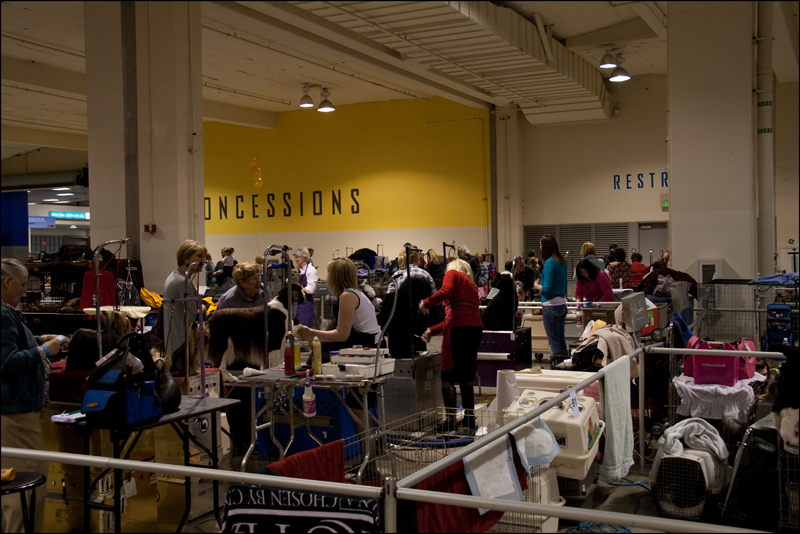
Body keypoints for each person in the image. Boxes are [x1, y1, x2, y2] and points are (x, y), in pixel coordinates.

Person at [2, 258, 65, 533]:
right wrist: (46, 350)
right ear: (6, 282)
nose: (25, 290)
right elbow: (7, 362)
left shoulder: (8, 313)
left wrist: (37, 340)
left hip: (13, 412)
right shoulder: (3, 315)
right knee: (25, 493)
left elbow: (11, 347)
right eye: (22, 284)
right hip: (14, 416)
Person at [420, 258, 483, 431]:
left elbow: (445, 292)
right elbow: (461, 312)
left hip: (458, 329)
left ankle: (450, 421)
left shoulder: (452, 274)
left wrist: (425, 303)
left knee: (447, 373)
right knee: (466, 374)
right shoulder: (470, 284)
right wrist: (432, 330)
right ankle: (469, 420)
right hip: (474, 328)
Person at [214, 262, 267, 456]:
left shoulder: (263, 295)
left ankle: (252, 440)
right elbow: (218, 329)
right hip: (234, 355)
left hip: (255, 353)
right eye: (254, 278)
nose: (258, 281)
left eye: (259, 277)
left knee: (254, 398)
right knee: (238, 400)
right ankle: (239, 442)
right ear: (242, 282)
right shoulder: (228, 300)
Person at [294, 257, 380, 351]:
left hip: (367, 345)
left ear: (334, 277)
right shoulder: (355, 292)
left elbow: (342, 335)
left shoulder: (347, 296)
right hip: (370, 341)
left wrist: (312, 333)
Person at [377, 249, 436, 358]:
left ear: (401, 260)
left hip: (400, 323)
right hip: (419, 320)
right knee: (420, 356)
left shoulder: (397, 276)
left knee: (400, 355)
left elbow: (389, 302)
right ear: (418, 259)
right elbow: (435, 298)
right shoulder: (426, 275)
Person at [163, 239, 207, 372]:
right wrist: (202, 308)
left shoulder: (173, 276)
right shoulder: (183, 282)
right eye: (199, 256)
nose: (203, 261)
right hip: (182, 346)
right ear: (186, 258)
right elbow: (192, 318)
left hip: (173, 343)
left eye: (204, 257)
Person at [534, 234, 568, 357]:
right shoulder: (562, 261)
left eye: (541, 245)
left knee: (554, 345)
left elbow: (547, 288)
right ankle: (565, 370)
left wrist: (536, 285)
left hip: (550, 307)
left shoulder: (549, 263)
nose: (540, 248)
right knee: (561, 342)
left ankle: (557, 370)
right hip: (562, 305)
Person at [292, 247, 318, 328]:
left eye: (297, 257)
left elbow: (311, 289)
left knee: (304, 329)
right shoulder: (298, 269)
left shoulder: (311, 270)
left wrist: (300, 288)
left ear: (304, 258)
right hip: (296, 305)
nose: (295, 259)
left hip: (306, 305)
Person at [424, 249, 447, 326]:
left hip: (436, 283)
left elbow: (430, 274)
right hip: (444, 281)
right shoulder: (444, 259)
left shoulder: (430, 263)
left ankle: (436, 321)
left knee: (436, 303)